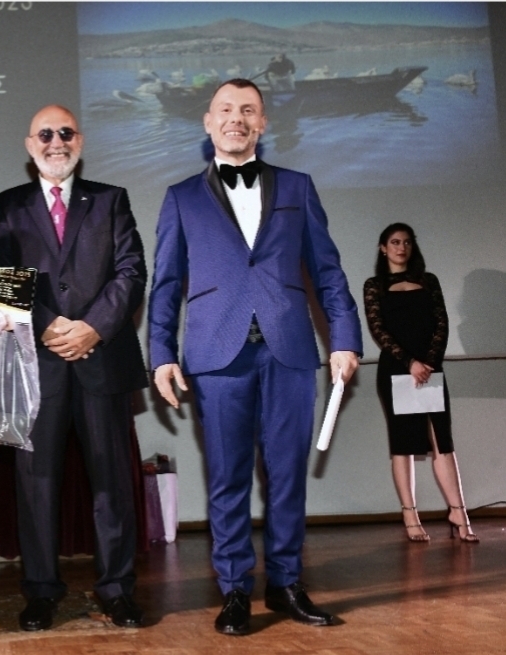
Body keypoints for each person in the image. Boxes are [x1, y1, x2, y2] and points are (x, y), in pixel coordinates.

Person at [149, 79, 362, 636]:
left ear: (263, 123)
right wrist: (160, 354)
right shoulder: (180, 197)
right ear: (207, 122)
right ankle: (235, 589)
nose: (236, 118)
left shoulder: (298, 187)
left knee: (288, 475)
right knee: (227, 478)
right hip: (215, 357)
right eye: (225, 109)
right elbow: (165, 283)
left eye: (248, 110)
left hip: (289, 350)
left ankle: (287, 583)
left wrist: (344, 338)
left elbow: (329, 271)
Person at [0, 105, 148, 631]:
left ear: (80, 140)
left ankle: (117, 589)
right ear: (29, 145)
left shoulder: (110, 199)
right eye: (45, 134)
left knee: (112, 483)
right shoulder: (5, 206)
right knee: (36, 484)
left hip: (102, 359)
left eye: (66, 133)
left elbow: (131, 272)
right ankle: (40, 591)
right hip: (37, 363)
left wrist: (93, 327)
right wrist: (50, 324)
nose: (57, 142)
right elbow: (0, 278)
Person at [363, 223, 478, 543]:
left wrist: (428, 362)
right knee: (402, 444)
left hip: (429, 368)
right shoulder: (374, 285)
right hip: (396, 369)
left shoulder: (429, 281)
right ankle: (410, 515)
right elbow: (378, 329)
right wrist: (410, 363)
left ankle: (458, 512)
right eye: (395, 242)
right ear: (383, 248)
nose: (401, 248)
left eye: (407, 242)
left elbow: (441, 323)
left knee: (442, 440)